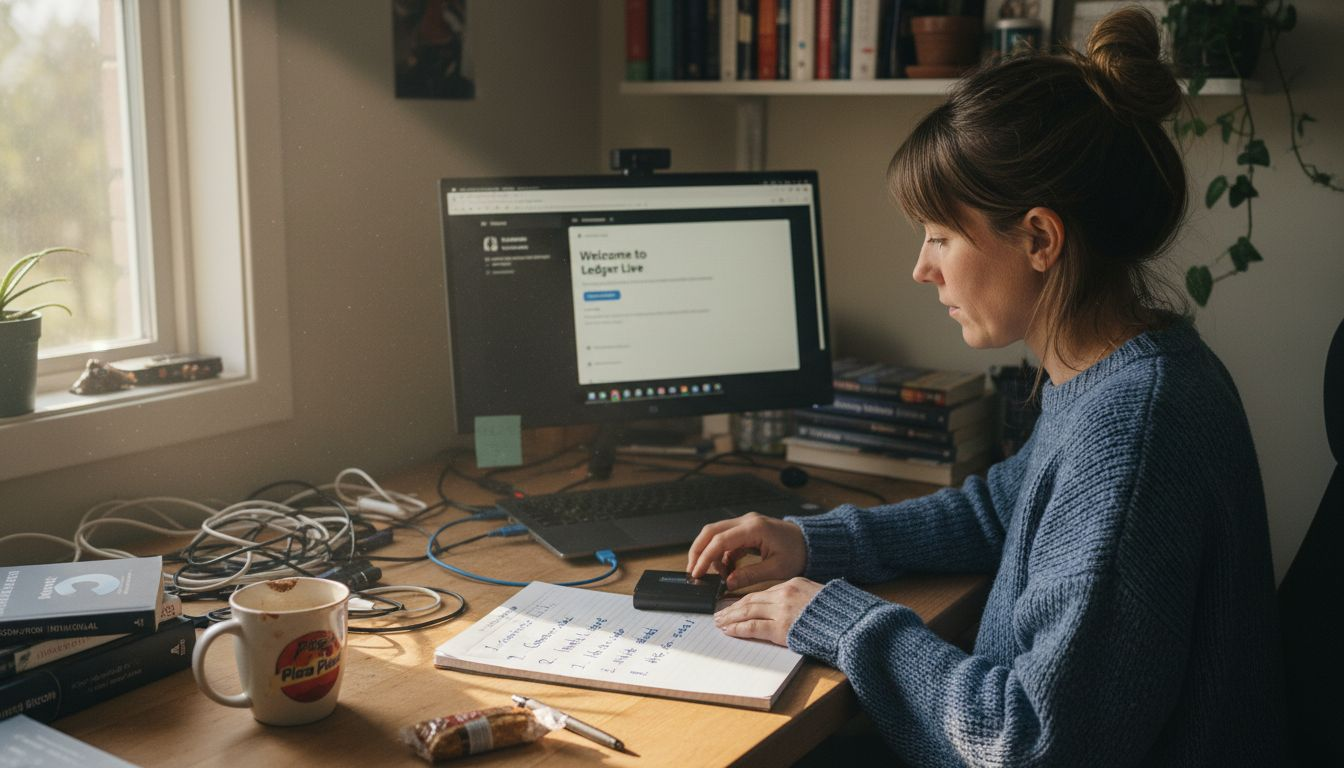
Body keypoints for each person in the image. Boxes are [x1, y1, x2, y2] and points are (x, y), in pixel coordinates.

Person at [686, 8, 1287, 766]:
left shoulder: (1132, 431)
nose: (922, 268)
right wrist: (812, 541)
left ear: (1039, 238)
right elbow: (1004, 507)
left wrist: (834, 618)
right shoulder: (1121, 370)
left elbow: (1030, 741)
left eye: (940, 236)